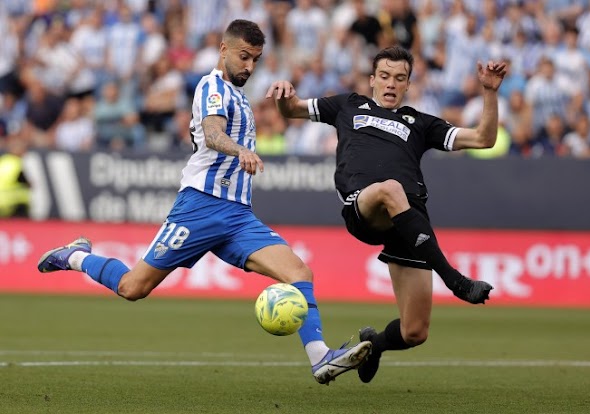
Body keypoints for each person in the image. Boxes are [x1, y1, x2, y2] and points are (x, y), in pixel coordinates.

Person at [37, 19, 370, 385]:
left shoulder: (239, 95)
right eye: (244, 57)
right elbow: (213, 134)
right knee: (134, 287)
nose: (249, 66)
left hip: (238, 215)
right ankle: (74, 255)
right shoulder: (211, 87)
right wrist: (239, 149)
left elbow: (274, 113)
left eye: (256, 60)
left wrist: (284, 93)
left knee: (299, 274)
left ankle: (320, 358)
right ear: (224, 50)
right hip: (201, 207)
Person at [266, 46, 505, 383]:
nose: (391, 83)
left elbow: (484, 138)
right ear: (372, 79)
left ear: (408, 84)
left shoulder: (419, 123)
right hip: (364, 206)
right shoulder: (348, 104)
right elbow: (291, 109)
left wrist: (489, 92)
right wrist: (283, 94)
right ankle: (455, 280)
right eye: (385, 76)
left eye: (400, 78)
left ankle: (374, 345)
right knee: (390, 187)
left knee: (415, 332)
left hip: (408, 221)